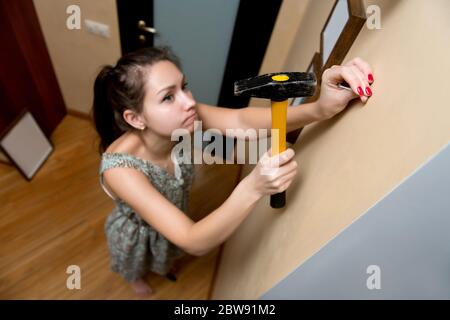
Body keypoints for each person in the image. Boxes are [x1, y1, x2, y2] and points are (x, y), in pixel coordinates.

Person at [92, 46, 374, 295]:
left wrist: (320, 110)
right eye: (168, 97)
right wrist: (253, 187)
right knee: (137, 261)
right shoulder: (120, 169)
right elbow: (193, 240)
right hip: (138, 232)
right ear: (135, 118)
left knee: (167, 250)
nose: (189, 101)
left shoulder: (183, 119)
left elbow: (242, 121)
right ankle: (135, 280)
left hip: (175, 212)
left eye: (184, 86)